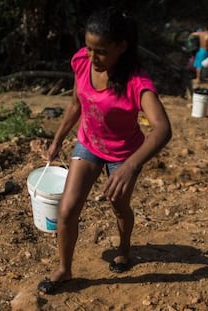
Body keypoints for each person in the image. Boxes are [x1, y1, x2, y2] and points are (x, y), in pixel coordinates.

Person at [37, 7, 172, 294]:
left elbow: (162, 128)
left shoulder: (137, 82)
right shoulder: (82, 63)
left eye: (100, 51)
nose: (92, 57)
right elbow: (75, 104)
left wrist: (130, 166)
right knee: (68, 209)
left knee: (119, 207)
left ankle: (124, 249)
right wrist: (57, 139)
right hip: (88, 143)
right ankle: (64, 269)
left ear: (121, 47)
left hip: (124, 154)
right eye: (88, 48)